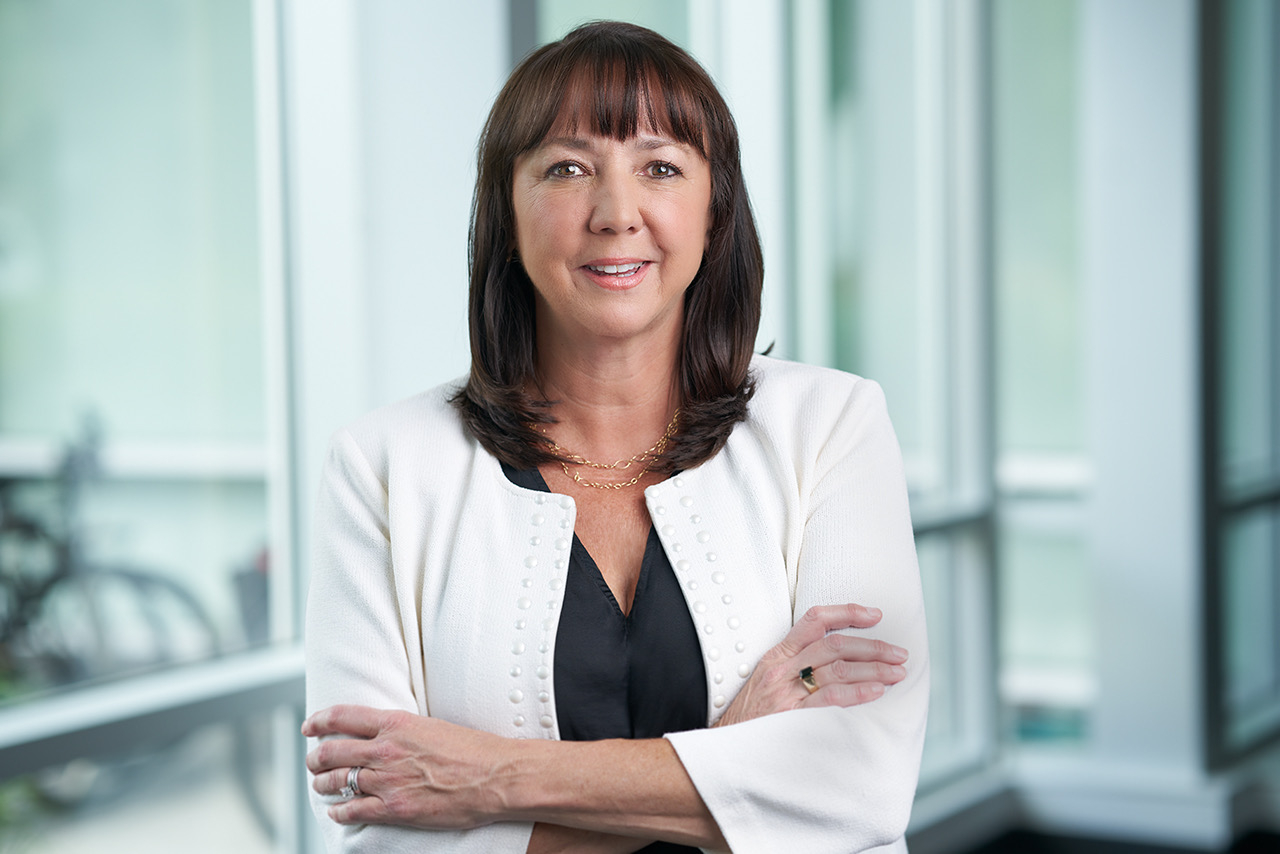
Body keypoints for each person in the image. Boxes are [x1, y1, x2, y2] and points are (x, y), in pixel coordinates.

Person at [302, 20, 928, 854]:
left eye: (661, 167)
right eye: (567, 169)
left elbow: (858, 790)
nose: (616, 213)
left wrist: (485, 778)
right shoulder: (381, 466)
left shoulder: (832, 426)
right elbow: (375, 826)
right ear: (507, 211)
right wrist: (731, 761)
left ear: (715, 211)